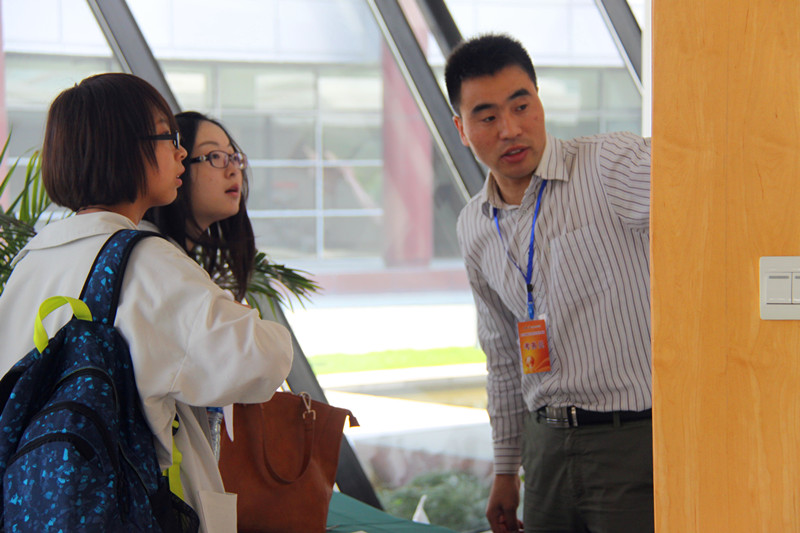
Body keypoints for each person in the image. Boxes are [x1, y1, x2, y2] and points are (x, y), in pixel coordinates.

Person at [0, 73, 294, 533]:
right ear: (123, 148)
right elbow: (260, 359)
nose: (180, 153)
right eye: (168, 137)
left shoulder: (32, 259)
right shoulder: (146, 261)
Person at [445, 34, 653, 533]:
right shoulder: (475, 224)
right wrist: (505, 470)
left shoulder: (609, 166)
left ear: (539, 101)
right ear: (461, 129)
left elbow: (705, 188)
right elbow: (502, 356)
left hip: (631, 442)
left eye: (521, 106)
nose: (511, 129)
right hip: (545, 452)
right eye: (487, 117)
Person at [141, 110, 257, 460]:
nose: (233, 170)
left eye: (234, 157)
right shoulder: (154, 263)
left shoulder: (177, 262)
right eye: (214, 157)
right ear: (176, 167)